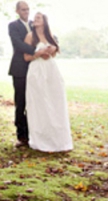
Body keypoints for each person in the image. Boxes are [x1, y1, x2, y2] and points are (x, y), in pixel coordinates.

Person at [24, 12, 73, 152]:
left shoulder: (50, 36)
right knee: (39, 104)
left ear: (44, 21)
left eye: (38, 18)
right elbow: (26, 57)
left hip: (51, 71)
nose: (35, 19)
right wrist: (39, 53)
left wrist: (52, 50)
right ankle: (41, 140)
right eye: (35, 18)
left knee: (55, 102)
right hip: (36, 71)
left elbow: (56, 53)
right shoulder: (30, 36)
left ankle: (58, 140)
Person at [7, 1, 52, 148]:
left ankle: (36, 134)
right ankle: (22, 136)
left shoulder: (36, 24)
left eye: (27, 9)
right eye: (23, 10)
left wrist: (48, 48)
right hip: (20, 68)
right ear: (17, 11)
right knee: (21, 102)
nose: (26, 12)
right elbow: (18, 44)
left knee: (37, 101)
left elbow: (49, 36)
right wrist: (37, 52)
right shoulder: (13, 26)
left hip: (37, 69)